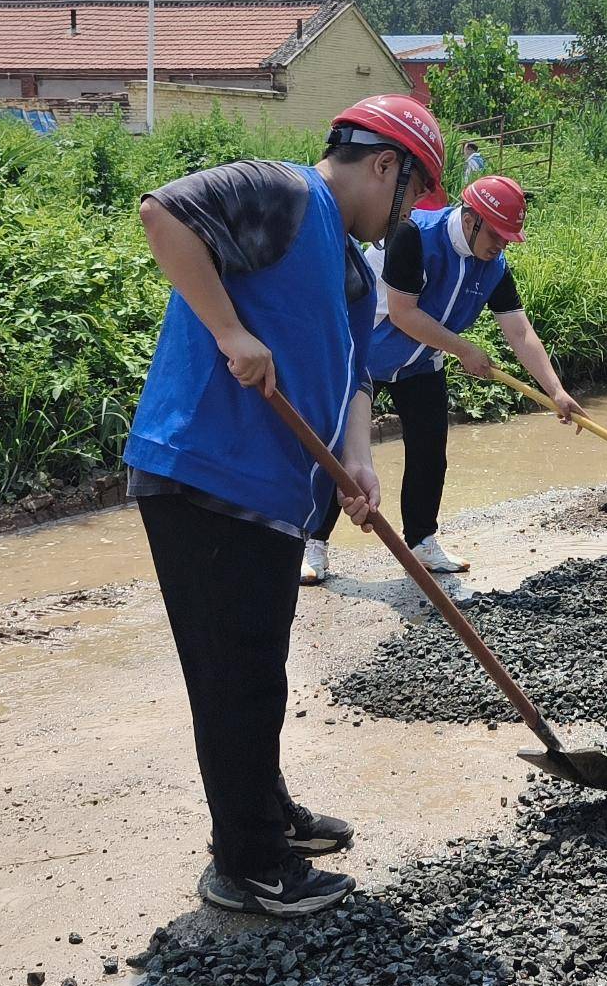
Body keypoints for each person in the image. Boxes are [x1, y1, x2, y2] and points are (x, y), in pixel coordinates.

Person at [125, 93, 446, 918]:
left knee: (256, 670)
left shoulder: (341, 261)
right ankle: (247, 865)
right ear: (385, 165)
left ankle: (265, 814)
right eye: (410, 196)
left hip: (269, 493)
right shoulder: (288, 192)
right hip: (205, 474)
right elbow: (165, 214)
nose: (405, 217)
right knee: (234, 678)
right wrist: (231, 331)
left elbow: (356, 374)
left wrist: (356, 459)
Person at [306, 173, 577, 585]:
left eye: (508, 239)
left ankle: (422, 541)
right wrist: (465, 349)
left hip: (419, 362)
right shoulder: (413, 234)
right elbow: (402, 312)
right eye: (497, 235)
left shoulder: (494, 267)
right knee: (340, 447)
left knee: (430, 447)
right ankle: (314, 544)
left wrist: (555, 390)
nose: (500, 246)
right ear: (470, 218)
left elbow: (520, 330)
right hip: (363, 352)